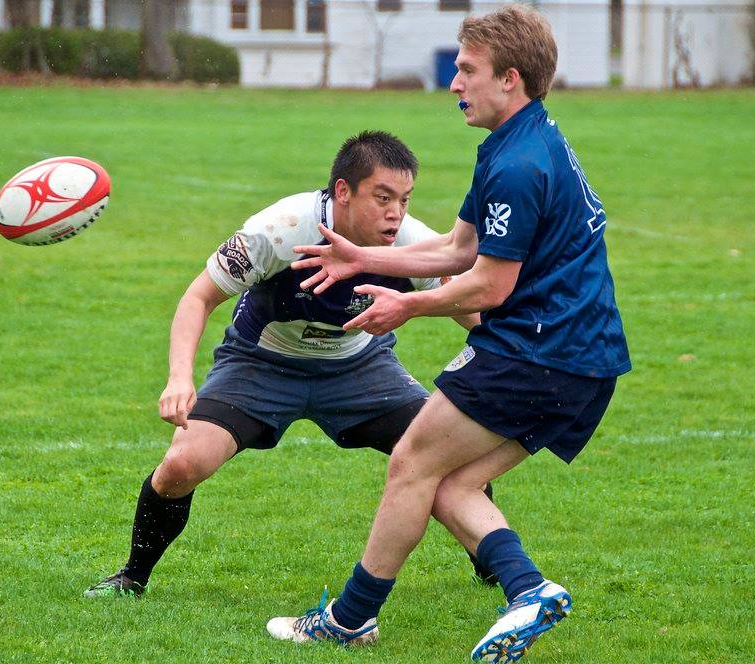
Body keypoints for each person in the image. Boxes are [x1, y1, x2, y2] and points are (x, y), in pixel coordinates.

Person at [267, 5, 631, 662]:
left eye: (468, 71)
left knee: (410, 462)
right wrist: (365, 258)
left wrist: (406, 309)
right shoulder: (518, 144)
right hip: (581, 359)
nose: (455, 83)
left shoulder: (519, 166)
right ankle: (528, 591)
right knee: (450, 483)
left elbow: (488, 287)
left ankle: (349, 621)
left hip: (537, 353)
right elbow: (458, 246)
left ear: (510, 79)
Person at [83, 130, 496, 599]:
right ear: (343, 190)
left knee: (453, 454)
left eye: (404, 199)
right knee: (183, 463)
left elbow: (469, 309)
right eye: (382, 197)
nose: (396, 213)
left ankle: (494, 569)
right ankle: (131, 577)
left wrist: (518, 355)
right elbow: (198, 297)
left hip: (359, 368)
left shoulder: (412, 244)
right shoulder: (278, 231)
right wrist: (180, 377)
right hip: (261, 363)